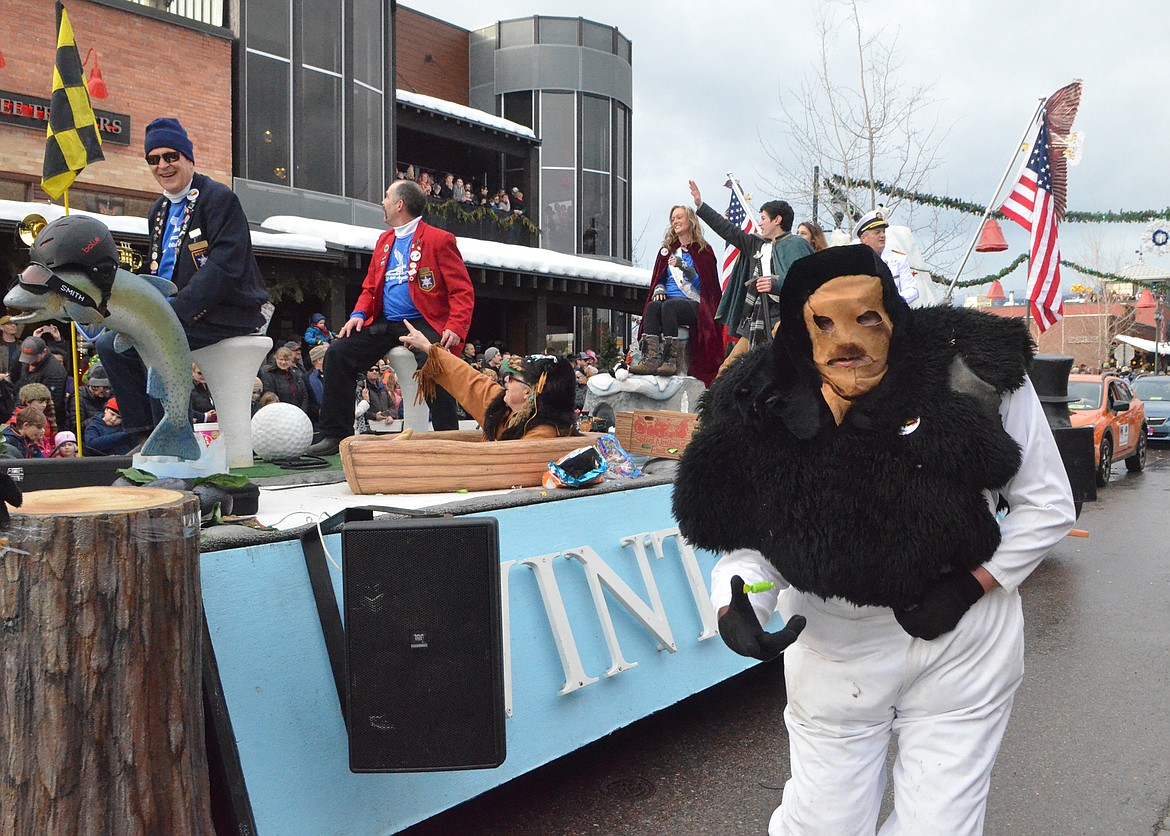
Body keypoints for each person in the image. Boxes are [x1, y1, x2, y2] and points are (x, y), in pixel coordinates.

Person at [673, 244, 1075, 835]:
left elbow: (1047, 503)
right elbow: (754, 538)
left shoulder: (971, 373)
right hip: (834, 644)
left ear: (894, 316)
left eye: (867, 319)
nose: (849, 342)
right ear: (798, 332)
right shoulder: (758, 404)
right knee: (821, 825)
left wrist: (970, 585)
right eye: (826, 324)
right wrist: (741, 600)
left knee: (939, 828)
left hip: (961, 643)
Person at [96, 117, 269, 445]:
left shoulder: (218, 198)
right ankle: (144, 434)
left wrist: (171, 313)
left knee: (151, 339)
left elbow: (224, 268)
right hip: (171, 310)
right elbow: (157, 269)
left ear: (189, 158)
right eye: (154, 159)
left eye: (171, 156)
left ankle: (174, 437)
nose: (163, 165)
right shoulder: (158, 210)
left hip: (226, 312)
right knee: (109, 343)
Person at [306, 180, 475, 455]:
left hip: (422, 320)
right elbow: (371, 286)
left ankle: (448, 438)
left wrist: (455, 325)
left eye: (386, 197)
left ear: (400, 204)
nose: (382, 202)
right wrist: (359, 313)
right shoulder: (384, 240)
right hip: (385, 321)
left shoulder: (439, 239)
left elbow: (462, 290)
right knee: (337, 353)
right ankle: (335, 435)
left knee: (435, 361)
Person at [401, 321, 577, 441]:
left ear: (528, 392)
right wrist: (426, 346)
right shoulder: (501, 408)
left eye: (512, 378)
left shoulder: (543, 434)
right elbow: (467, 378)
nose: (506, 381)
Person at [689, 180, 813, 349]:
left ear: (777, 220)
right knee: (729, 368)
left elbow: (804, 282)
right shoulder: (756, 244)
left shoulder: (796, 244)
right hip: (758, 318)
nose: (760, 223)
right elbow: (727, 230)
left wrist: (775, 284)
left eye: (763, 218)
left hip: (788, 317)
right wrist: (701, 205)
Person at [630, 205, 723, 384]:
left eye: (679, 217)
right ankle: (651, 358)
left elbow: (705, 287)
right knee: (653, 306)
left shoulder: (703, 251)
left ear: (690, 221)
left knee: (669, 307)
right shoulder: (666, 251)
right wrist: (659, 289)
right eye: (673, 219)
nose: (675, 222)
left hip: (693, 304)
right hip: (669, 300)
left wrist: (685, 268)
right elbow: (659, 278)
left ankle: (670, 359)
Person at [855, 208, 919, 305]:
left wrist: (894, 302)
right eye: (877, 232)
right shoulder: (855, 262)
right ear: (864, 238)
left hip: (894, 314)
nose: (882, 235)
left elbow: (913, 290)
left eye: (883, 232)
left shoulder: (898, 259)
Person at [16, 336, 68, 426]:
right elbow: (20, 383)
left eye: (33, 357)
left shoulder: (55, 372)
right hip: (25, 412)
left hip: (43, 420)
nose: (29, 361)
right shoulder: (29, 362)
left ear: (43, 352)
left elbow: (52, 403)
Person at [260, 346, 310, 412]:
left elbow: (304, 395)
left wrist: (301, 411)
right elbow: (270, 398)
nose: (283, 362)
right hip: (279, 413)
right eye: (281, 359)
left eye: (286, 360)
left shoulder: (296, 375)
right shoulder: (269, 375)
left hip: (297, 413)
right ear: (276, 359)